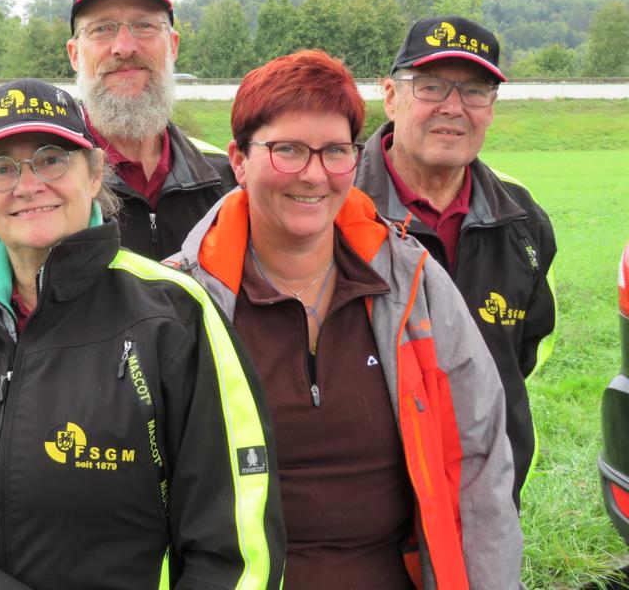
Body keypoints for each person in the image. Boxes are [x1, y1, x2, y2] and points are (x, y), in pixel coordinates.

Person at [0, 78, 285, 589]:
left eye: (52, 159)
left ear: (94, 174)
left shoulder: (174, 316)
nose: (28, 186)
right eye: (1, 169)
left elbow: (237, 540)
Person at [169, 50, 522, 589]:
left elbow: (477, 462)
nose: (314, 175)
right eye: (287, 150)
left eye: (335, 151)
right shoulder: (183, 301)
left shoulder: (416, 285)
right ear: (238, 160)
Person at [354, 16, 557, 507]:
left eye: (475, 90)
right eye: (431, 86)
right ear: (390, 95)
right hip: (363, 507)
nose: (453, 107)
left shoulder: (523, 218)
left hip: (487, 496)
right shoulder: (336, 206)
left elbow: (525, 351)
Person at [66, 0, 235, 259]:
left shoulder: (228, 184)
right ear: (75, 55)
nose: (124, 47)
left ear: (173, 45)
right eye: (102, 29)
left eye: (144, 25)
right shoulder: (48, 191)